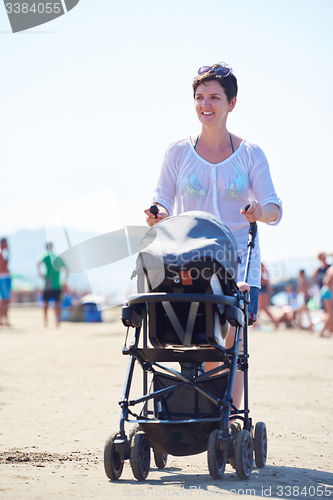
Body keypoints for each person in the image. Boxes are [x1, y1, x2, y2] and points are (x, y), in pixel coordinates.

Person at [144, 62, 282, 409]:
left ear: (231, 103)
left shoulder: (250, 154)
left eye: (215, 97)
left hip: (236, 262)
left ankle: (228, 417)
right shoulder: (177, 150)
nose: (206, 104)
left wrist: (257, 212)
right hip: (188, 259)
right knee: (193, 339)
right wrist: (157, 213)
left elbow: (273, 209)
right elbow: (162, 197)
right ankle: (198, 411)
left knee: (227, 342)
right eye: (200, 97)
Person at [37, 242, 68, 327]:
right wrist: (64, 280)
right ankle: (58, 321)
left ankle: (45, 322)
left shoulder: (46, 255)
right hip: (57, 284)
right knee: (57, 303)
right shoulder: (58, 257)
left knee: (46, 303)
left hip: (47, 283)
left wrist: (40, 273)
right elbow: (67, 268)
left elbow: (38, 262)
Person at [257, 262, 278, 329]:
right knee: (259, 308)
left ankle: (275, 322)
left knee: (263, 308)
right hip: (262, 289)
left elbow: (265, 279)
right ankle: (255, 324)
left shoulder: (261, 271)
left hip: (263, 290)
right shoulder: (261, 272)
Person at [0, 238, 11, 327]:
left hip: (5, 277)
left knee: (5, 300)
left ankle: (4, 319)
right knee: (4, 300)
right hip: (3, 277)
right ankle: (4, 320)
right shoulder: (1, 253)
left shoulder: (4, 253)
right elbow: (3, 265)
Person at [319, 266, 333, 338]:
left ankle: (330, 331)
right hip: (327, 292)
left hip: (325, 291)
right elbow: (327, 282)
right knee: (330, 313)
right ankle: (322, 331)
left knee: (330, 313)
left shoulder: (330, 268)